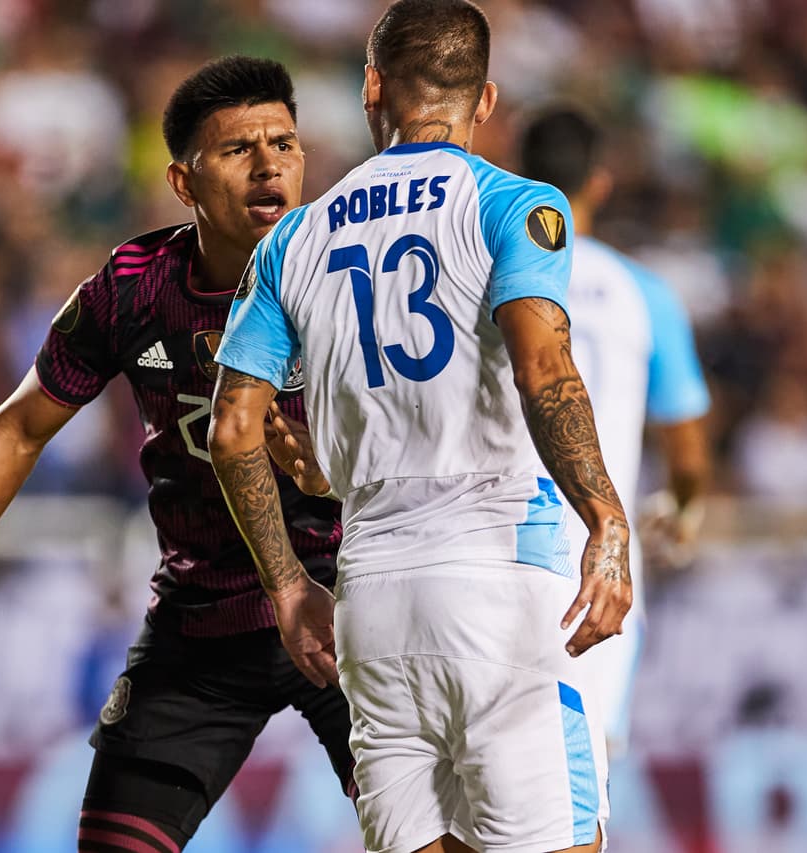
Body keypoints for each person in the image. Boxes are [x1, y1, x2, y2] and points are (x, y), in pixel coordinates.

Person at [0, 57, 355, 853]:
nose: (270, 164)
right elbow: (20, 427)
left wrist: (335, 473)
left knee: (433, 836)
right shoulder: (130, 288)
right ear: (183, 182)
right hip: (204, 624)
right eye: (238, 149)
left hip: (351, 611)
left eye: (285, 142)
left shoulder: (354, 275)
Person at [208, 2, 632, 851]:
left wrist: (290, 584)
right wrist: (607, 521)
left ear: (372, 87)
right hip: (499, 578)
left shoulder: (294, 236)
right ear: (484, 103)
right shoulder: (515, 204)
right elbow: (543, 369)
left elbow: (231, 430)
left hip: (372, 597)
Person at [520, 106, 712, 757]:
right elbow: (687, 451)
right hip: (598, 561)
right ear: (599, 182)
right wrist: (682, 508)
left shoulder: (488, 278)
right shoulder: (644, 292)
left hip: (494, 549)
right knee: (581, 777)